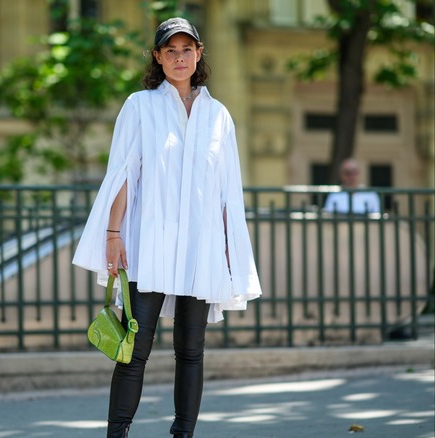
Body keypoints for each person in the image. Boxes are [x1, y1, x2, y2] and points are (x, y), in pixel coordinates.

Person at [72, 17, 262, 438]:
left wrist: (230, 254)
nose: (180, 58)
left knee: (191, 352)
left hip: (201, 247)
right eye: (170, 51)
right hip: (149, 245)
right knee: (134, 351)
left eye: (187, 49)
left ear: (199, 53)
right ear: (158, 57)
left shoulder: (219, 115)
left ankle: (183, 435)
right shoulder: (140, 106)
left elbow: (228, 190)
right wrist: (112, 233)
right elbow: (123, 174)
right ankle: (117, 433)